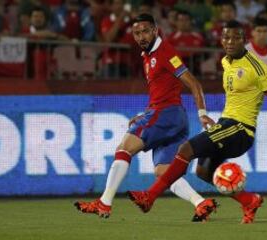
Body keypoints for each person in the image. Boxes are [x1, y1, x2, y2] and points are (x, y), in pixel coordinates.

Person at [127, 20, 267, 224]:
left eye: (235, 37)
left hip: (240, 129)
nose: (230, 41)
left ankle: (150, 197)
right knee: (204, 172)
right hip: (226, 124)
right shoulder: (226, 61)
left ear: (244, 40)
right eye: (226, 37)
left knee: (185, 149)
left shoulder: (257, 68)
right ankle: (249, 200)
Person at [74, 13, 217, 222]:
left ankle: (104, 203)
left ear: (155, 31)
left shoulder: (165, 51)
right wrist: (147, 112)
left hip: (166, 114)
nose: (141, 37)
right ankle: (201, 203)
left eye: (145, 31)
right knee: (164, 173)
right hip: (171, 118)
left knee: (124, 148)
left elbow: (194, 84)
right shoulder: (147, 56)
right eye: (136, 33)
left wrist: (202, 114)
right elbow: (163, 90)